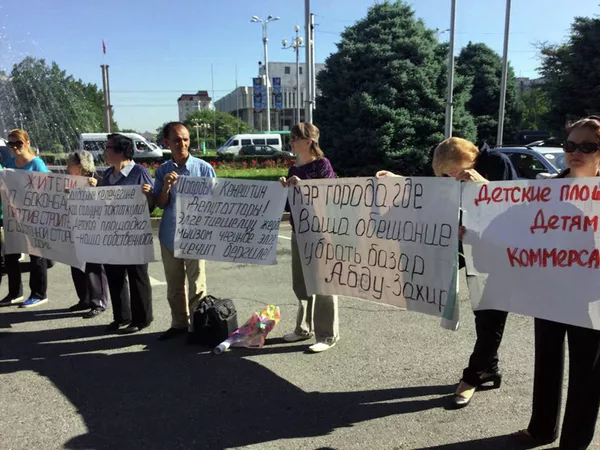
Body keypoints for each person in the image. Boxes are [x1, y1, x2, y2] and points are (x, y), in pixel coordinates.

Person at [377, 137, 517, 408]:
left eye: (455, 173)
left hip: (501, 255)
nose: (451, 179)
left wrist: (483, 185)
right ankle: (490, 368)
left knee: (491, 318)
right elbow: (432, 194)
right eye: (445, 175)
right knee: (483, 316)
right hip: (472, 249)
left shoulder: (497, 163)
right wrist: (399, 181)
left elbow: (517, 207)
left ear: (472, 160)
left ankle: (471, 377)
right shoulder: (451, 175)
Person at [515, 116, 600, 449]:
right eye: (570, 145)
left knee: (587, 372)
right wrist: (474, 231)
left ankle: (574, 443)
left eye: (587, 146)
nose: (575, 152)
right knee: (547, 359)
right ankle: (541, 428)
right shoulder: (547, 187)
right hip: (548, 289)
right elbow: (513, 228)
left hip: (592, 296)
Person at [279, 123, 340, 353]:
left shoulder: (323, 165)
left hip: (320, 232)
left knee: (323, 282)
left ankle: (328, 334)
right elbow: (290, 205)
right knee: (301, 283)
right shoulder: (294, 168)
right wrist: (284, 188)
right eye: (291, 138)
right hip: (299, 232)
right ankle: (304, 328)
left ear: (309, 142)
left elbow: (329, 196)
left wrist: (303, 185)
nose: (291, 142)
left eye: (295, 138)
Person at [153, 122, 216, 341]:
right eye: (177, 140)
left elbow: (216, 201)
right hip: (170, 235)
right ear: (167, 143)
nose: (183, 144)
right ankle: (179, 323)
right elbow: (160, 204)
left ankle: (198, 327)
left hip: (195, 235)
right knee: (174, 285)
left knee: (197, 284)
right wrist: (165, 187)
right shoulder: (162, 170)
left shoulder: (203, 168)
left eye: (186, 139)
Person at [100, 133, 154, 334]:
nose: (104, 151)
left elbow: (151, 206)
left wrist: (148, 195)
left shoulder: (139, 172)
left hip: (134, 234)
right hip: (112, 233)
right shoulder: (107, 174)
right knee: (114, 276)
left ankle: (142, 319)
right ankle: (121, 316)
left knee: (137, 276)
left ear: (120, 151)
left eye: (108, 147)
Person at [0, 129, 51, 308]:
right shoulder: (10, 163)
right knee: (11, 255)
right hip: (14, 216)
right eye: (11, 144)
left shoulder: (36, 163)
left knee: (36, 255)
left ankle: (39, 293)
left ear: (27, 143)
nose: (14, 147)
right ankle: (15, 293)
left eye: (18, 143)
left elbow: (48, 188)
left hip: (34, 216)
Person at [65, 150, 110, 319]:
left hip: (94, 231)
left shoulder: (98, 180)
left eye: (69, 164)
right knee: (76, 264)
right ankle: (84, 298)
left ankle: (99, 302)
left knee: (94, 266)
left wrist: (96, 188)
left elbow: (109, 202)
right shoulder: (70, 182)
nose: (67, 167)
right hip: (76, 228)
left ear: (80, 166)